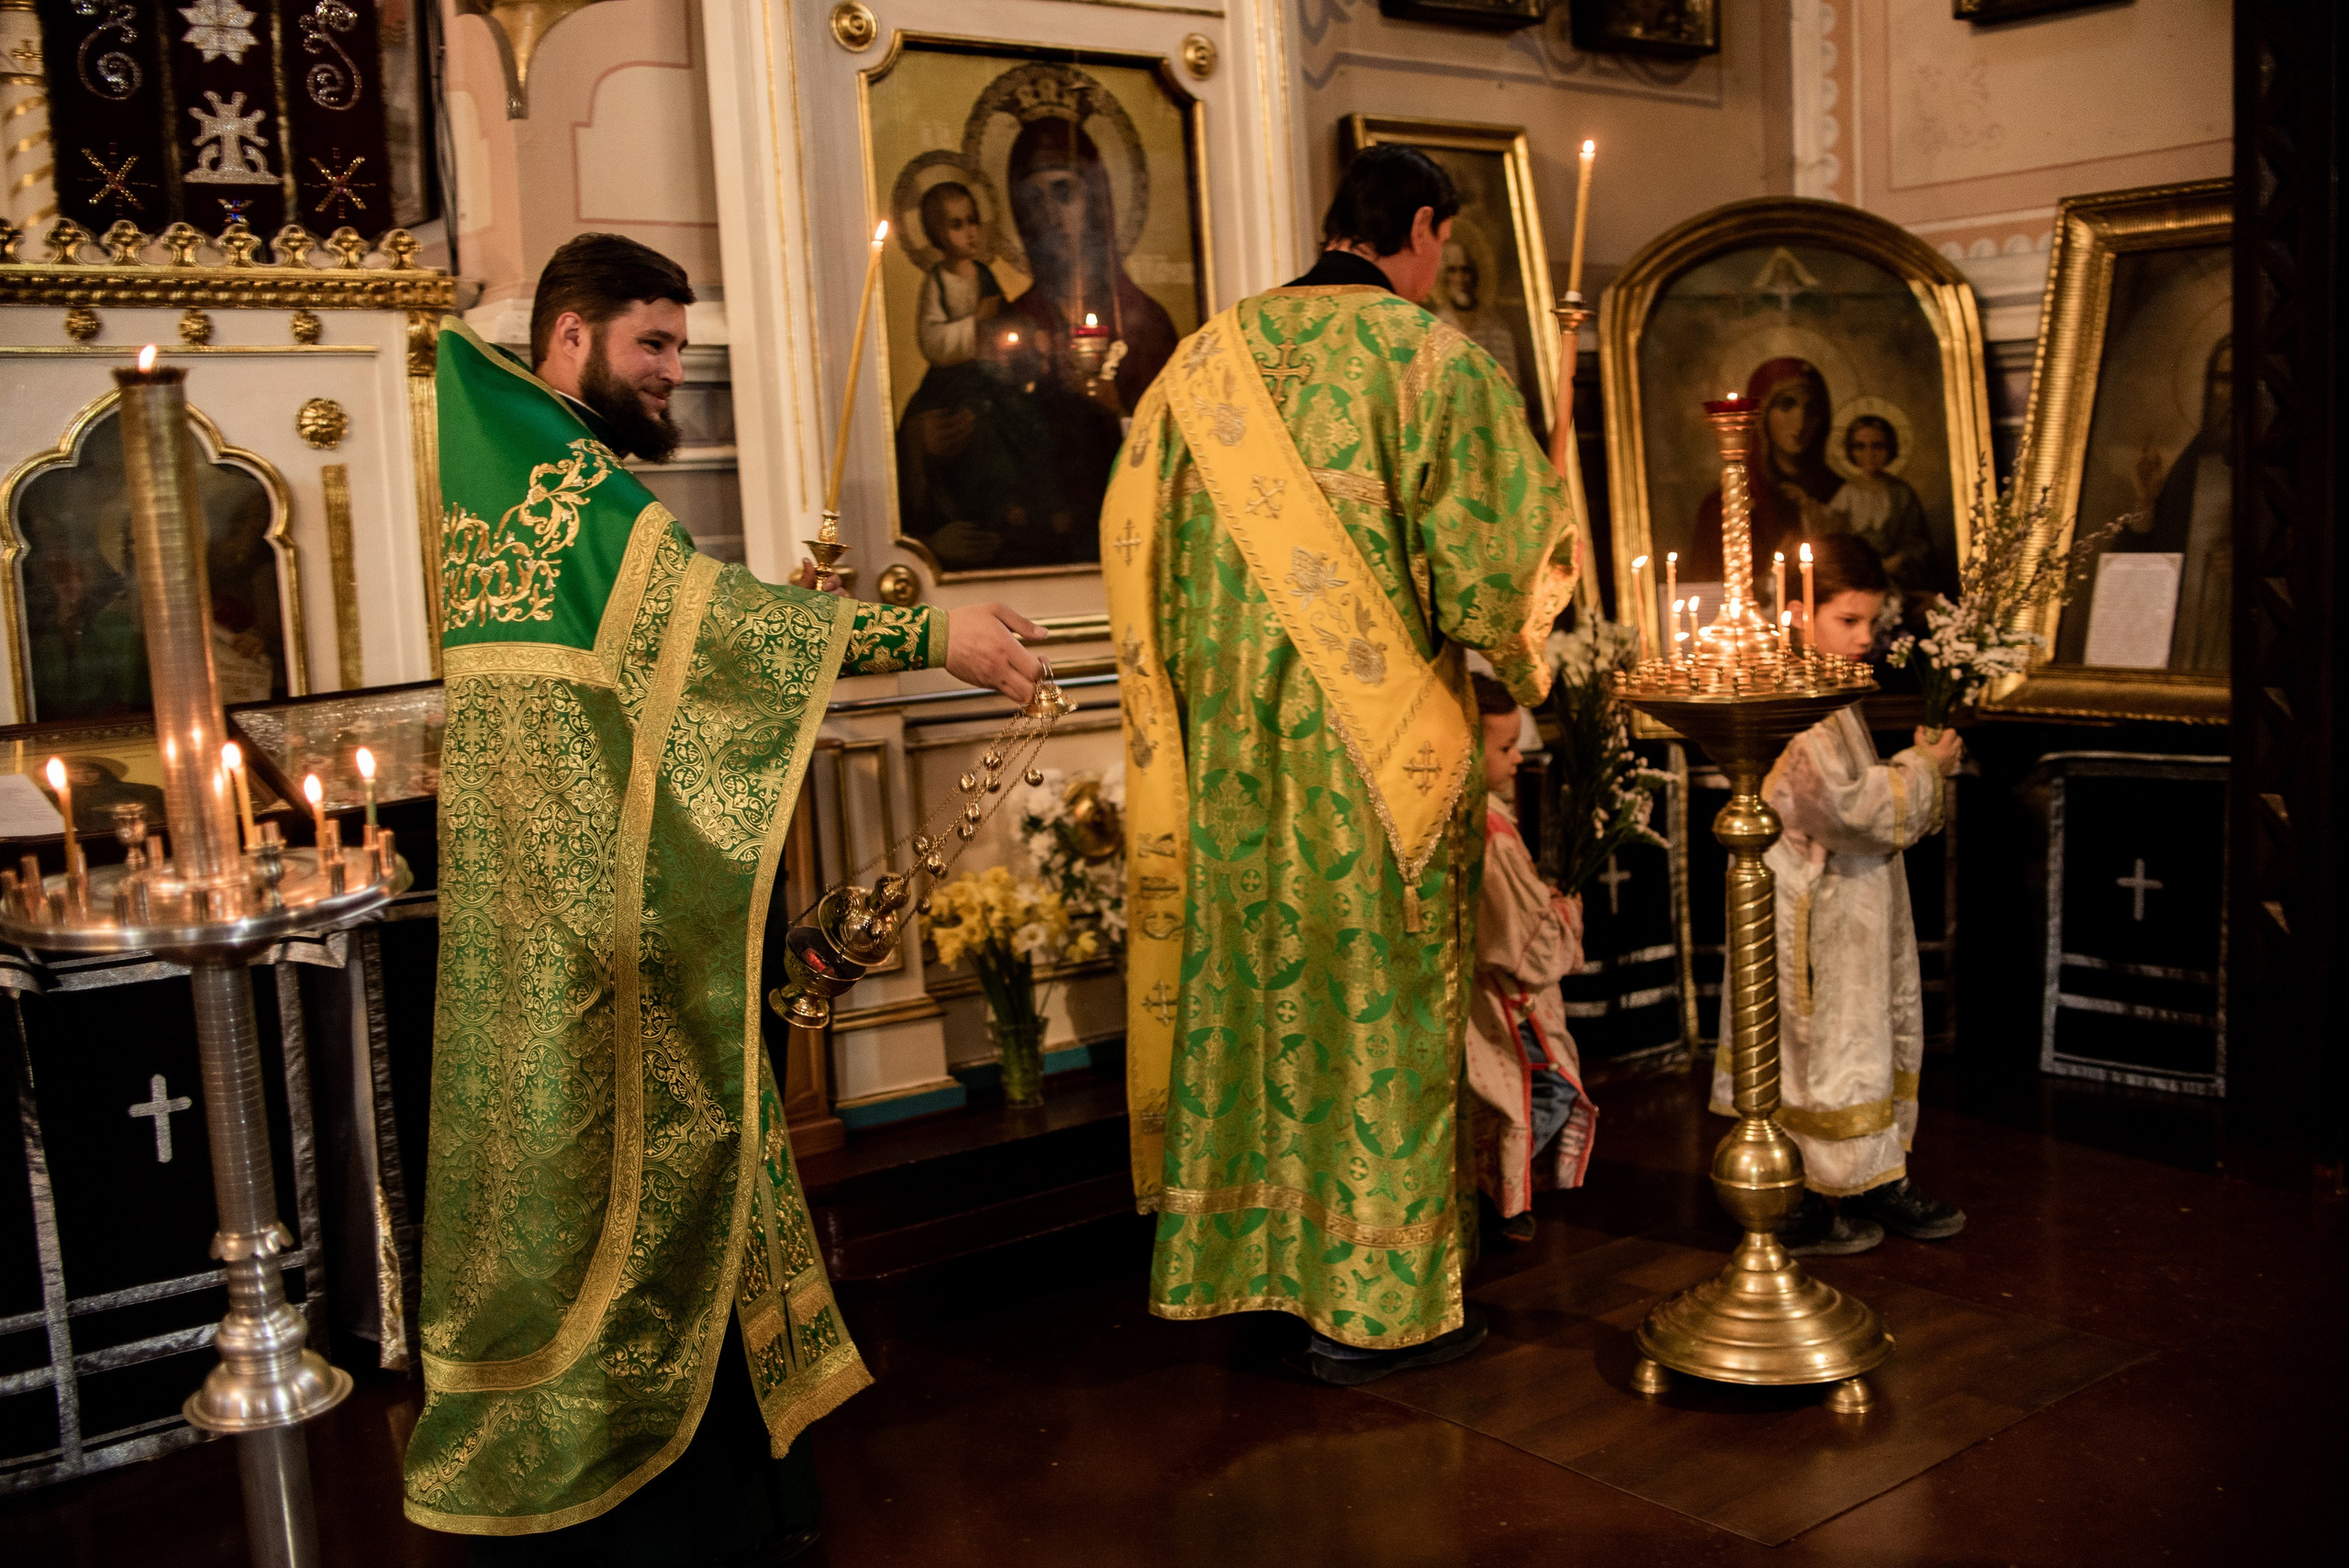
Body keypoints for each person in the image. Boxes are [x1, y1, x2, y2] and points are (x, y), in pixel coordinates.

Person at [404, 232, 1044, 1562]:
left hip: (539, 920)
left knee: (558, 1197)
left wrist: (774, 635)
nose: (670, 376)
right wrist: (932, 632)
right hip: (604, 939)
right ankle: (656, 1492)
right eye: (649, 345)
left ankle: (604, 1458)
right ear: (568, 336)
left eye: (680, 351)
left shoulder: (500, 466)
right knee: (646, 1190)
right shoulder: (569, 487)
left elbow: (661, 661)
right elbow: (714, 628)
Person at [1103, 143, 1578, 1386]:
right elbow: (1502, 582)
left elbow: (1130, 546)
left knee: (1260, 1018)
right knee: (1377, 1034)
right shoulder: (1435, 365)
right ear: (1419, 229)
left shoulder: (1197, 365)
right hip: (1385, 775)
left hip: (1229, 772)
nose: (1440, 275)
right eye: (1444, 251)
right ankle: (1374, 1305)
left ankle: (1246, 1273)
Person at [1710, 533, 1965, 1256]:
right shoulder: (1790, 689)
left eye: (1871, 623)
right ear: (1797, 612)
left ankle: (1873, 1175)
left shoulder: (1829, 681)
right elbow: (1846, 808)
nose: (1864, 638)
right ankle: (1794, 1190)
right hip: (1809, 906)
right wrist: (1925, 765)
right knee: (1818, 1048)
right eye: (1847, 621)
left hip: (1855, 897)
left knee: (1863, 1037)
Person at [1464, 674, 1596, 1246]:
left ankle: (1495, 1195)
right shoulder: (1488, 832)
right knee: (1543, 1091)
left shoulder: (1466, 815)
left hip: (1478, 991)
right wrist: (1564, 911)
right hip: (1505, 1000)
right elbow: (1528, 942)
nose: (1519, 758)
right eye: (1504, 747)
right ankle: (1492, 1199)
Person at [1687, 357, 1840, 581]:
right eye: (1787, 405)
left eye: (1812, 408)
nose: (1801, 420)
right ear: (1762, 415)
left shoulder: (1841, 496)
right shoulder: (1722, 507)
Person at [1825, 414, 1936, 599]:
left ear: (1889, 448)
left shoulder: (1901, 493)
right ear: (1851, 451)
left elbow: (1917, 542)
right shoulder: (1845, 494)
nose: (1869, 454)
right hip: (1857, 578)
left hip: (1897, 577)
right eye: (1860, 447)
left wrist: (1898, 560)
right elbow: (1835, 540)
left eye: (1877, 446)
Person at [911, 180, 1006, 369]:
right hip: (953, 376)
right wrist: (976, 323)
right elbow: (931, 340)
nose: (970, 232)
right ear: (938, 233)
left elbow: (1005, 314)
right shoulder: (937, 282)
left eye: (972, 221)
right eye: (957, 225)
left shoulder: (984, 273)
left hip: (991, 366)